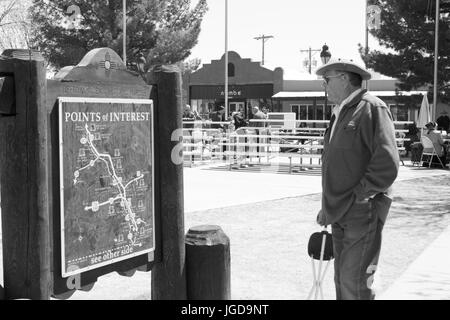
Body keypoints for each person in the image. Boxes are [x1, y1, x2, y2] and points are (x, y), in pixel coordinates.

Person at [315, 59, 399, 300]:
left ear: (344, 78)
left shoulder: (372, 107)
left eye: (327, 80)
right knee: (343, 280)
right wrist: (327, 208)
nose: (325, 86)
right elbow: (335, 165)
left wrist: (362, 196)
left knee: (355, 283)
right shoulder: (341, 111)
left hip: (361, 210)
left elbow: (387, 164)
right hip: (341, 211)